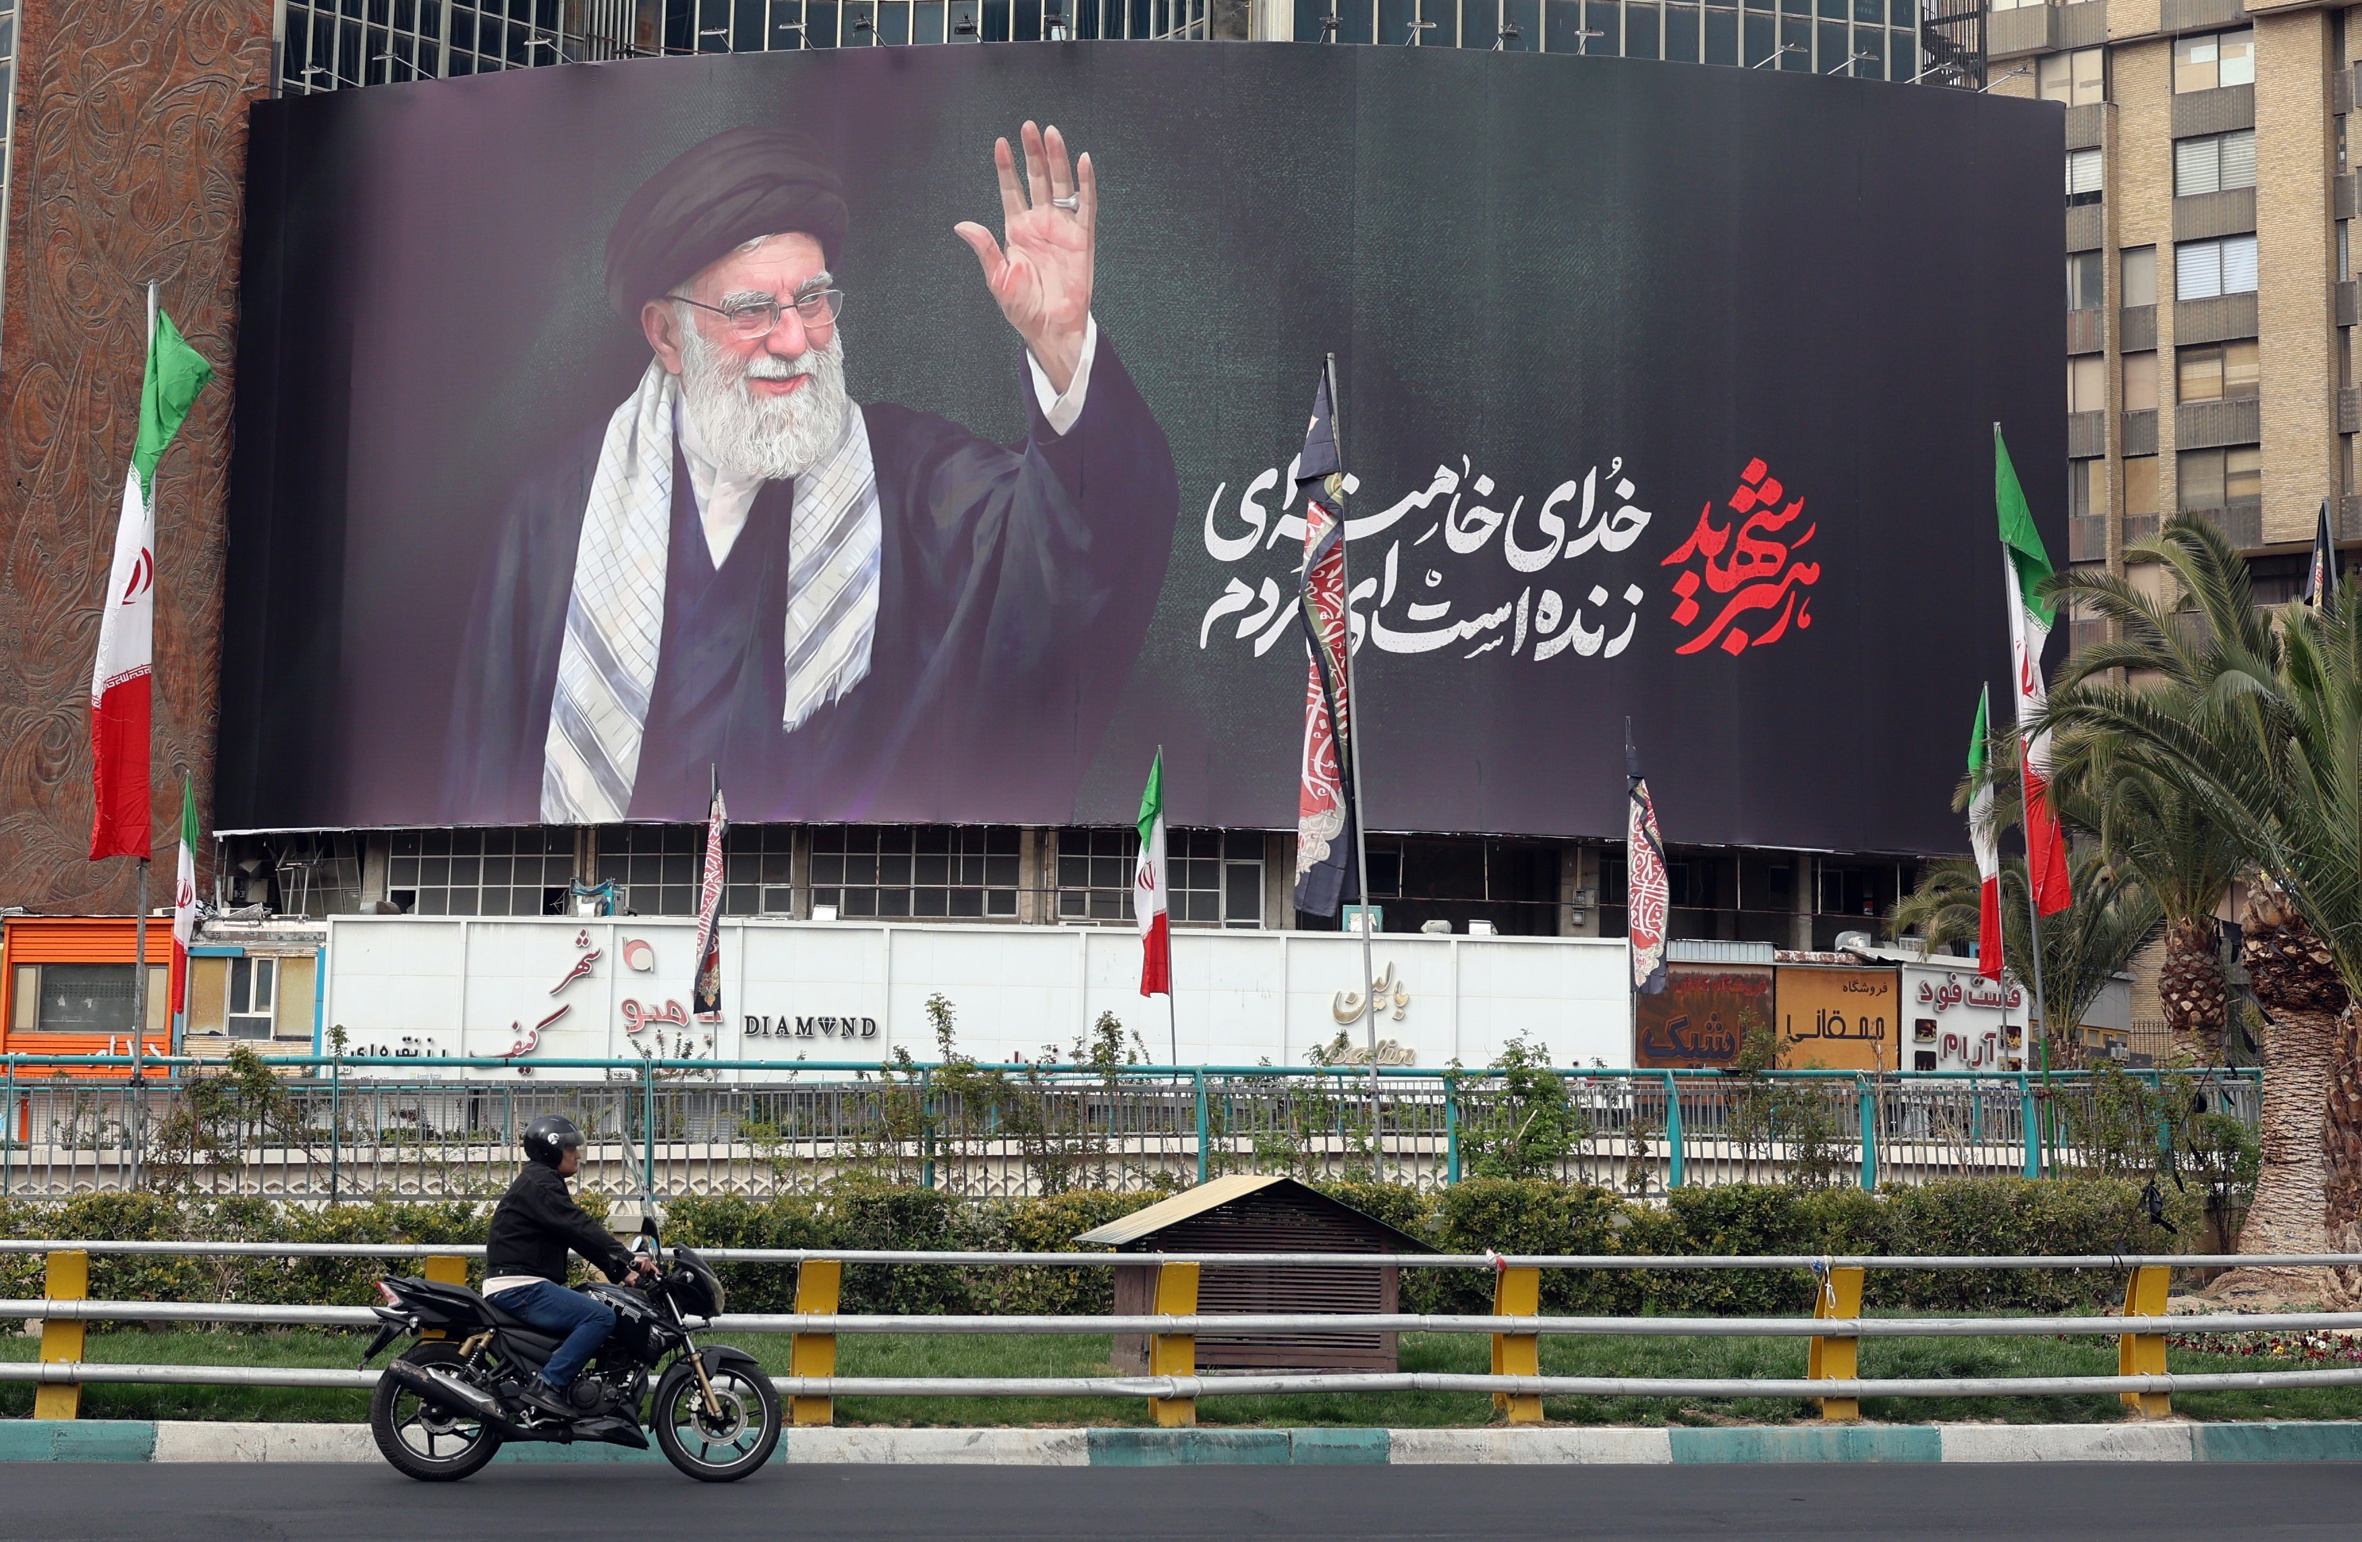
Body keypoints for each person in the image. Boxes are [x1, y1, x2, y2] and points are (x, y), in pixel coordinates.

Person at [444, 121, 1179, 826]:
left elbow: (1082, 538)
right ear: (667, 334)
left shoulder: (916, 484)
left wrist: (1061, 348)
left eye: (814, 301)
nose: (793, 339)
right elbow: (482, 795)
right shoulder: (555, 521)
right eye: (752, 309)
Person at [481, 1114, 653, 1421]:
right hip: (519, 1286)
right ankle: (547, 1386)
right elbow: (578, 1228)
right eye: (570, 1147)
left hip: (522, 1283)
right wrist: (627, 1260)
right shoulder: (541, 1184)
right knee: (600, 1316)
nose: (577, 1153)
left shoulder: (541, 1182)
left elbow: (577, 1235)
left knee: (594, 1305)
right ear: (551, 1150)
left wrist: (622, 1271)